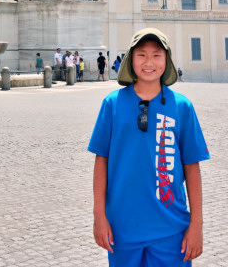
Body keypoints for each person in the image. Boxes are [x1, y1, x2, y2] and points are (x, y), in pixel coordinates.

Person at [88, 28, 209, 266]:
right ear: (131, 59)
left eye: (156, 55)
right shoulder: (112, 104)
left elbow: (192, 168)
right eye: (141, 54)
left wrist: (196, 225)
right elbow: (101, 161)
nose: (149, 62)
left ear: (167, 60)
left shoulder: (182, 107)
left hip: (171, 230)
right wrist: (99, 216)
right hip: (122, 229)